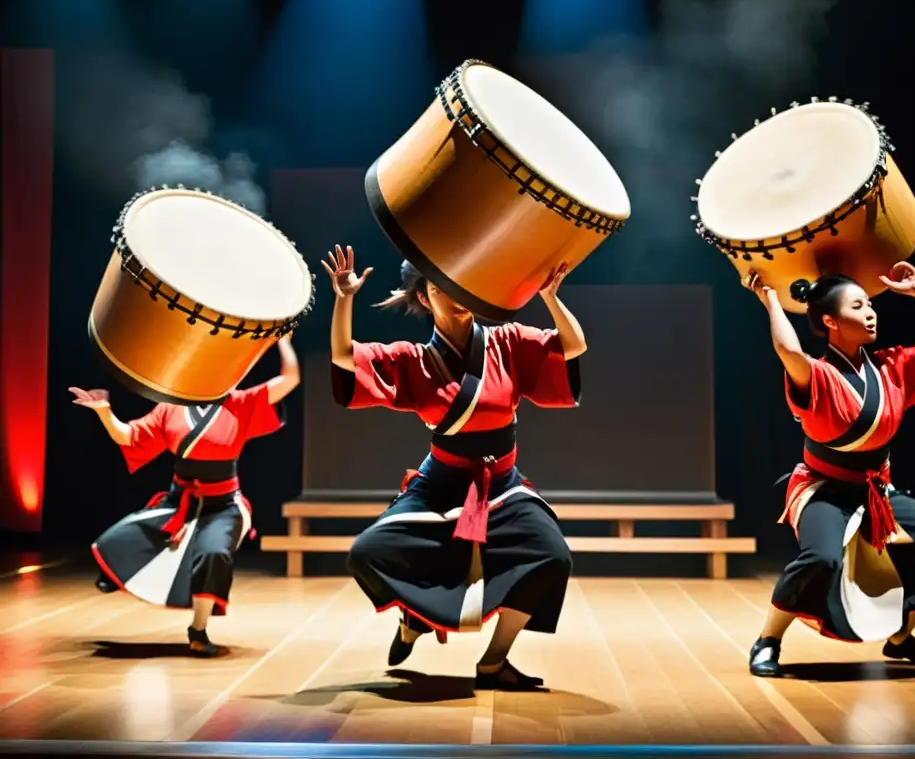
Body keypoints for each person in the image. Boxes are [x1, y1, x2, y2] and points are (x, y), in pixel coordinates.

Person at [322, 245, 583, 691]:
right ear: (424, 298)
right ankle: (414, 622)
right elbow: (346, 359)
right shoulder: (412, 360)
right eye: (444, 289)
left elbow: (572, 346)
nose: (459, 295)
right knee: (365, 552)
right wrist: (343, 299)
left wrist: (551, 298)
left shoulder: (508, 341)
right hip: (439, 486)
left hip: (500, 484)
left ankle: (494, 662)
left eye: (464, 285)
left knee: (552, 557)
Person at [746, 261, 915, 676]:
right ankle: (769, 639)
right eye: (858, 305)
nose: (872, 312)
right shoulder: (818, 375)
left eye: (871, 304)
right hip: (823, 488)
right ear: (830, 321)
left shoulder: (894, 366)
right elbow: (788, 350)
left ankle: (899, 637)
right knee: (822, 558)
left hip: (875, 489)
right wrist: (770, 299)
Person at [70, 336, 300, 657]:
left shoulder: (241, 402)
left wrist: (283, 343)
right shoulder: (170, 408)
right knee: (124, 534)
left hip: (224, 504)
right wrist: (104, 411)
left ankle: (199, 630)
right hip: (180, 501)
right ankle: (116, 572)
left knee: (214, 553)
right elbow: (128, 436)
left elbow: (290, 379)